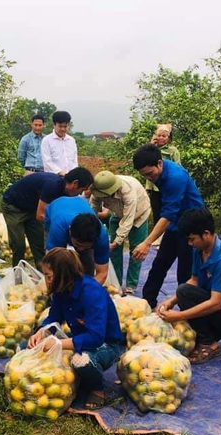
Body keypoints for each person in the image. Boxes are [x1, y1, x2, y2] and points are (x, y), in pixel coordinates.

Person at [28, 247, 123, 410]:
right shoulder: (60, 289)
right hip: (79, 335)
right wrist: (42, 332)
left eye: (48, 276)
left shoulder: (92, 292)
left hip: (105, 344)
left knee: (81, 361)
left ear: (62, 274)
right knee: (27, 347)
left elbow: (95, 338)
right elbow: (54, 317)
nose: (46, 280)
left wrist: (58, 344)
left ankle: (98, 388)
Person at [157, 207, 221, 364]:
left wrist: (180, 315)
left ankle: (209, 343)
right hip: (220, 304)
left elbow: (216, 303)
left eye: (192, 239)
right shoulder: (200, 249)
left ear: (206, 234)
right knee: (183, 291)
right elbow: (194, 280)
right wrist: (170, 302)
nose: (190, 244)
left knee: (184, 293)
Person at [131, 144, 204, 309]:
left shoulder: (175, 177)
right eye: (145, 175)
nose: (149, 178)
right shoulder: (158, 174)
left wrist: (147, 242)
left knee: (185, 274)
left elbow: (168, 215)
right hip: (175, 225)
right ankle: (147, 305)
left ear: (159, 163)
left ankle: (187, 316)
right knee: (159, 265)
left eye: (150, 173)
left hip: (192, 227)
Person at [2, 167, 94, 267]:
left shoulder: (66, 192)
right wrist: (61, 229)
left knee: (39, 244)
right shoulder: (52, 185)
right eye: (82, 190)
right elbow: (41, 216)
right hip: (14, 207)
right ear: (75, 183)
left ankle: (44, 275)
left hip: (33, 208)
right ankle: (18, 274)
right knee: (18, 244)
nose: (80, 194)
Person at [89, 171, 151, 295]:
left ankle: (130, 286)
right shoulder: (98, 190)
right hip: (117, 213)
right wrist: (92, 231)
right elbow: (92, 212)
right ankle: (116, 284)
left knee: (136, 252)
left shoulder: (128, 192)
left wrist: (117, 241)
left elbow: (128, 220)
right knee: (113, 252)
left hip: (139, 215)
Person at [45, 196, 110, 284]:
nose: (80, 249)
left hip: (79, 205)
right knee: (58, 265)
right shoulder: (58, 228)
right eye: (78, 244)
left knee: (87, 261)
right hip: (56, 209)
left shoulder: (101, 237)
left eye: (86, 246)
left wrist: (87, 290)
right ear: (70, 233)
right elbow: (49, 268)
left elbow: (102, 273)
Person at [147, 124, 182, 227]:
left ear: (169, 138)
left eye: (164, 136)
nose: (161, 138)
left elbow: (178, 167)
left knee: (169, 210)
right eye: (159, 135)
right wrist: (151, 145)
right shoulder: (152, 149)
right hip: (154, 187)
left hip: (167, 185)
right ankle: (158, 237)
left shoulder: (173, 150)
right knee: (156, 212)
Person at [40, 110, 78, 175]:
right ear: (54, 125)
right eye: (60, 126)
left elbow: (74, 161)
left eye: (65, 126)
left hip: (70, 179)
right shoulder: (47, 140)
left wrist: (72, 174)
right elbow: (47, 162)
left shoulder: (71, 140)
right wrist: (61, 172)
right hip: (53, 178)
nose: (63, 129)